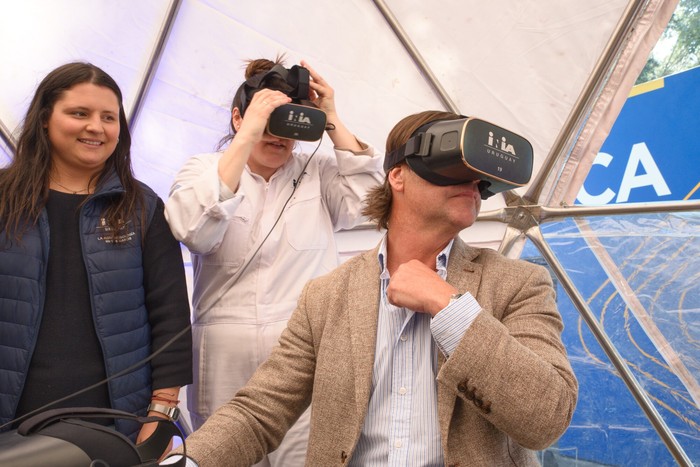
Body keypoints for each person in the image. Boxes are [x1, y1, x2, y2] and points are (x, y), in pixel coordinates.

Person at [163, 110, 579, 467]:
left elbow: (546, 417)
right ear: (397, 176)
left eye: (479, 179)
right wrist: (190, 461)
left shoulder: (518, 284)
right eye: (456, 168)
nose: (472, 184)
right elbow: (259, 410)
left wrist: (447, 305)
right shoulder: (327, 297)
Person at [164, 56, 383, 466]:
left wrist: (331, 117)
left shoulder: (317, 172)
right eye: (269, 119)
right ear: (237, 117)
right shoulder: (204, 168)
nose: (280, 135)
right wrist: (246, 136)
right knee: (223, 453)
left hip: (301, 350)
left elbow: (370, 203)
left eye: (290, 123)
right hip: (224, 353)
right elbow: (193, 228)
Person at [0, 62, 193, 444]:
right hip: (10, 423)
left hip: (117, 425)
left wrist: (161, 412)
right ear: (44, 119)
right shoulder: (5, 199)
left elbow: (171, 317)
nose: (96, 127)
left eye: (109, 117)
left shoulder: (142, 207)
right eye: (79, 113)